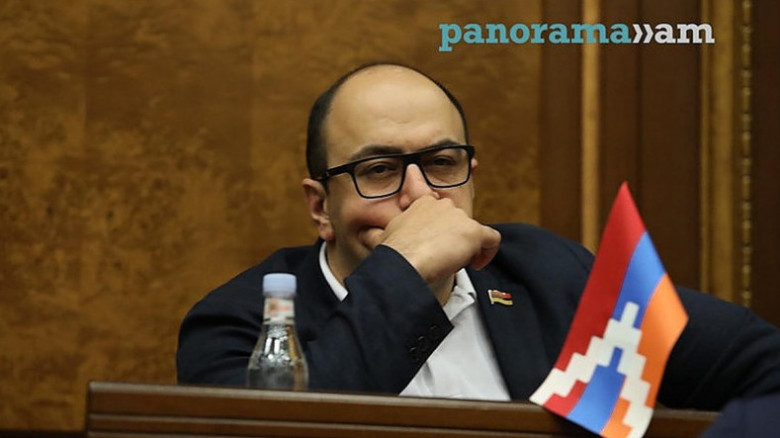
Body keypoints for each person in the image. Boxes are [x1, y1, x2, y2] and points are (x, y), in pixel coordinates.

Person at [177, 63, 780, 410]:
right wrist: (405, 272)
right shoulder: (240, 321)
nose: (421, 197)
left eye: (442, 163)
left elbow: (764, 369)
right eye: (379, 170)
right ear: (321, 207)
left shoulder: (549, 277)